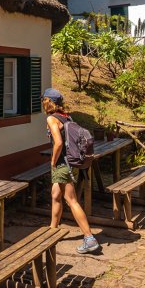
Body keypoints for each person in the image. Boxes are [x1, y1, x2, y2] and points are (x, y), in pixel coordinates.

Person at [43, 88, 100, 254]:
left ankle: (89, 238)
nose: (42, 103)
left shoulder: (52, 119)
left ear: (48, 102)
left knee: (71, 200)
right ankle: (52, 230)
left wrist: (53, 161)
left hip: (62, 165)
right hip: (70, 163)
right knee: (55, 196)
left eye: (43, 100)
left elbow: (58, 143)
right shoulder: (66, 116)